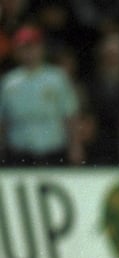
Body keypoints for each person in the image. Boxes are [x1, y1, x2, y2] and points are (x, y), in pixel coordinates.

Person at [0, 25, 82, 166]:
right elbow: (3, 121)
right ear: (17, 51)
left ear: (41, 49)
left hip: (53, 150)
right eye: (24, 48)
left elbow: (70, 115)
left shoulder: (57, 77)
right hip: (19, 152)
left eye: (33, 47)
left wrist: (75, 146)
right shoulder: (9, 81)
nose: (29, 53)